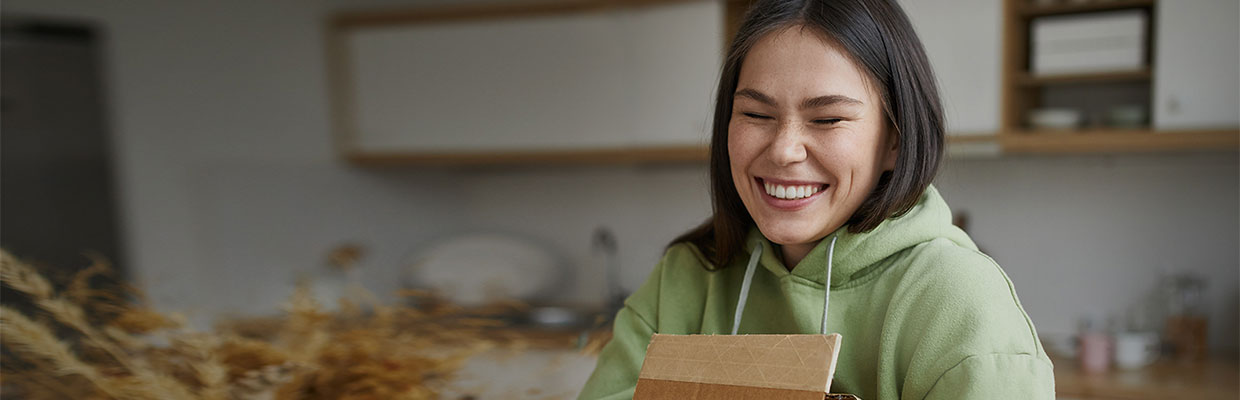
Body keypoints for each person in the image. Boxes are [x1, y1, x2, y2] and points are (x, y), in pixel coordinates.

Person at [578, 0, 1055, 398]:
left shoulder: (959, 301)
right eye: (756, 114)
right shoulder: (687, 277)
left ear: (895, 140)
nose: (784, 151)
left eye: (827, 120)